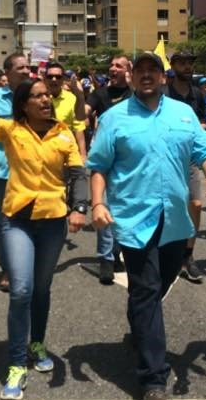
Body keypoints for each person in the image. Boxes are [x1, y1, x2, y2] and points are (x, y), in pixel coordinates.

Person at [88, 52, 206, 400]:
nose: (147, 75)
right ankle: (153, 377)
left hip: (175, 219)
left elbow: (204, 150)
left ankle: (140, 321)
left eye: (153, 70)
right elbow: (99, 165)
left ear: (163, 78)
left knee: (158, 285)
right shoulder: (114, 118)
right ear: (132, 78)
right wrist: (98, 203)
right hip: (134, 217)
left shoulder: (183, 113)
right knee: (147, 290)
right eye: (140, 70)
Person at [0, 59, 88, 400]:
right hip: (17, 218)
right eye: (36, 96)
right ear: (23, 104)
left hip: (52, 220)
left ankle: (37, 342)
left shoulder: (63, 132)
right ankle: (17, 363)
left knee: (42, 289)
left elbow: (77, 173)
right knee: (21, 289)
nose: (45, 99)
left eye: (46, 95)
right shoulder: (10, 129)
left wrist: (80, 208)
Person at [0, 53, 32, 291]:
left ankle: (27, 264)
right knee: (5, 223)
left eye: (27, 67)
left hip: (33, 169)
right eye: (20, 68)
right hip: (4, 169)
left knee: (32, 220)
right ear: (7, 72)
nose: (25, 71)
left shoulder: (36, 94)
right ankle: (8, 269)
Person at [162, 50, 206, 284]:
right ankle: (167, 252)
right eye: (182, 63)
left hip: (189, 157)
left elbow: (203, 121)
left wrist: (199, 125)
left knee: (196, 203)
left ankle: (188, 256)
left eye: (190, 62)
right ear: (172, 66)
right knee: (168, 205)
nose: (187, 66)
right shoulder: (163, 93)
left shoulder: (198, 95)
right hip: (165, 158)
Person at [86, 55, 134, 285]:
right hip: (105, 158)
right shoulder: (100, 94)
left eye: (119, 66)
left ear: (128, 71)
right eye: (111, 65)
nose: (113, 69)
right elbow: (84, 110)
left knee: (121, 208)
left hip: (128, 160)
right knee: (102, 204)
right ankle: (105, 258)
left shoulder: (136, 94)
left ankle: (115, 250)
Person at [43, 62, 87, 160]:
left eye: (58, 77)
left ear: (63, 79)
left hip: (65, 153)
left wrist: (83, 154)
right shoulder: (38, 98)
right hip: (42, 152)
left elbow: (78, 128)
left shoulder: (72, 99)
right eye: (50, 76)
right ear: (45, 78)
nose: (54, 79)